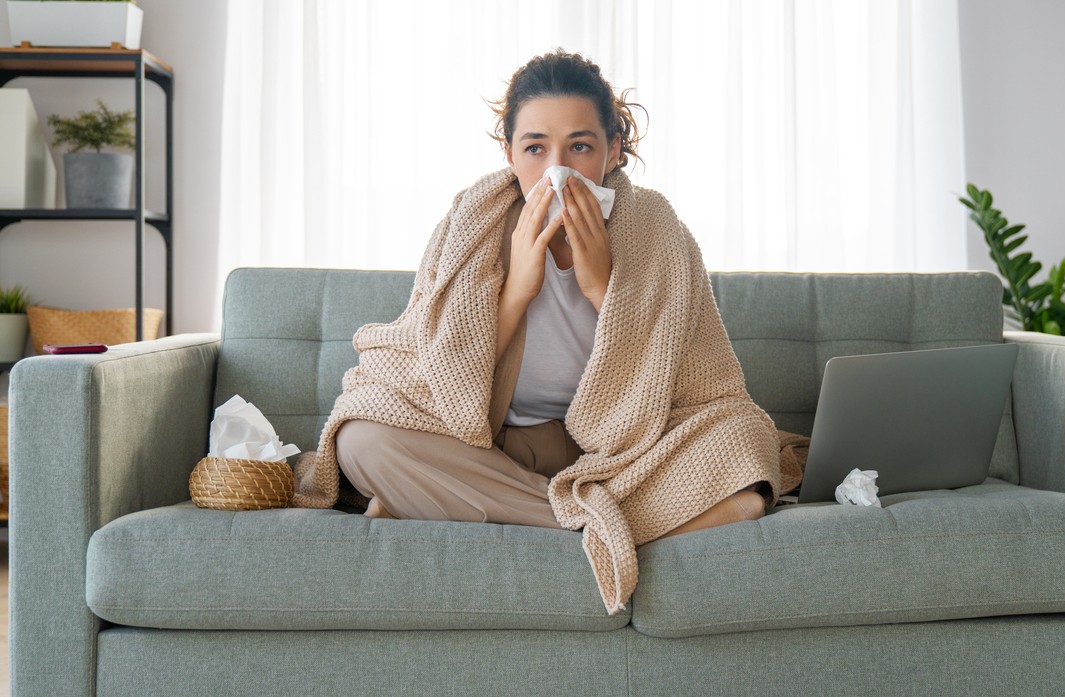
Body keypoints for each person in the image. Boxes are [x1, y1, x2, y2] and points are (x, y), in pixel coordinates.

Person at [294, 49, 784, 612]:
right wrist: (517, 290)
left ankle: (445, 504)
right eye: (535, 148)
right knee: (363, 440)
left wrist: (604, 288)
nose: (559, 169)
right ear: (508, 154)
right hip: (494, 443)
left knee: (748, 439)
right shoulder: (472, 221)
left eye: (580, 146)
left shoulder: (656, 229)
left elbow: (695, 382)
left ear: (613, 151)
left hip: (620, 451)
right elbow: (441, 380)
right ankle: (614, 526)